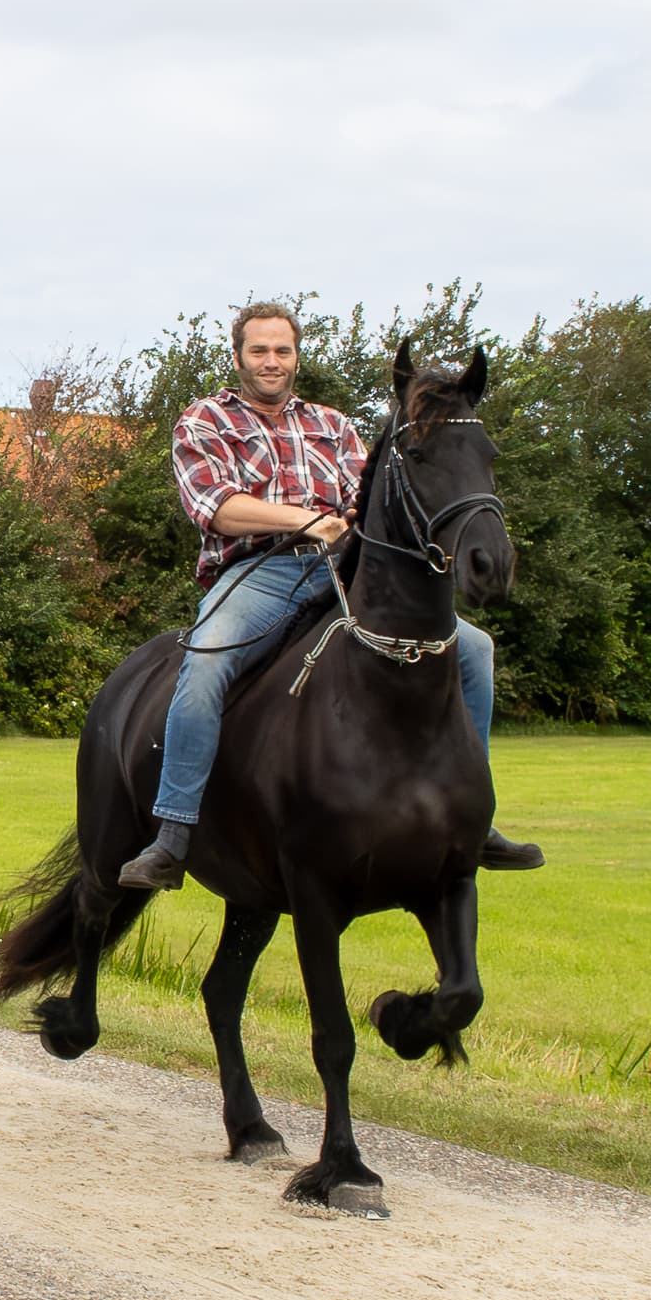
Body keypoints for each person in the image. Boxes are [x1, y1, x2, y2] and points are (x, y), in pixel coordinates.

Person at [117, 301, 543, 892]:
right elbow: (214, 507)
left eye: (282, 350)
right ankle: (174, 834)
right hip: (254, 573)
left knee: (473, 649)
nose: (271, 361)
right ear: (238, 355)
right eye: (259, 350)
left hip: (342, 570)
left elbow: (367, 500)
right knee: (207, 661)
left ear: (297, 356)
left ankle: (477, 818)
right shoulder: (205, 420)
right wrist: (305, 519)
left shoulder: (333, 424)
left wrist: (358, 526)